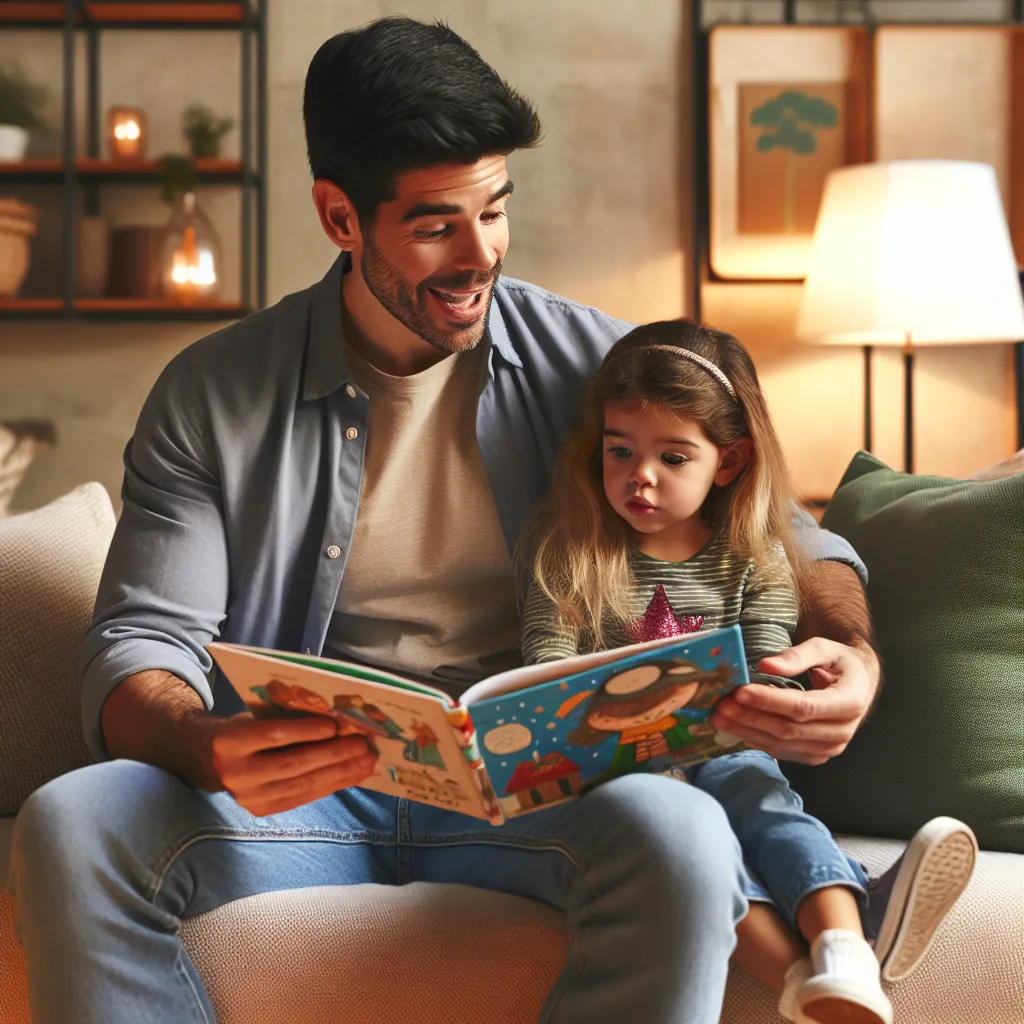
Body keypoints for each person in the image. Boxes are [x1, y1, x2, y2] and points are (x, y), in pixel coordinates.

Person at [4, 17, 955, 1024]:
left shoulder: (600, 364)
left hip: (541, 785)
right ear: (340, 217)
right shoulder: (211, 393)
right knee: (71, 821)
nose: (479, 253)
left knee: (682, 832)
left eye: (494, 209)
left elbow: (793, 537)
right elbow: (141, 638)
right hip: (302, 793)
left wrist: (851, 648)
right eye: (433, 225)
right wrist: (197, 739)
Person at [518, 320, 978, 1024]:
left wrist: (755, 708)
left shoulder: (756, 559)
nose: (640, 476)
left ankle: (845, 954)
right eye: (620, 451)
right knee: (686, 845)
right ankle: (827, 963)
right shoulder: (570, 549)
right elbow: (547, 664)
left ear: (727, 463)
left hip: (724, 741)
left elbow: (769, 668)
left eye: (673, 457)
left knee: (767, 808)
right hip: (618, 765)